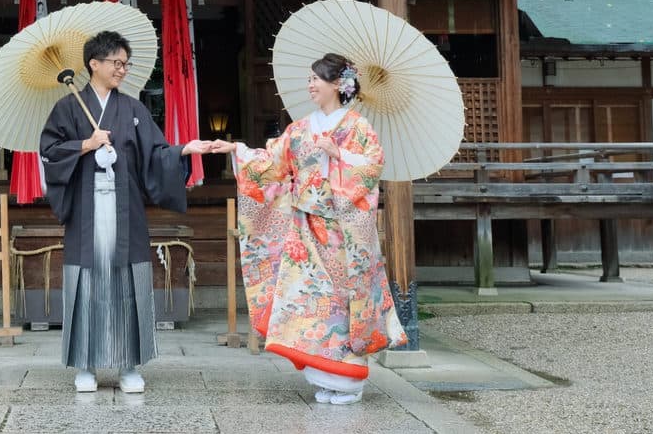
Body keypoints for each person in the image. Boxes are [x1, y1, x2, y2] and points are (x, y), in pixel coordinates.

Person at [212, 53, 407, 404]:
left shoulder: (358, 128)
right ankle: (323, 376)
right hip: (305, 229)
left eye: (317, 78)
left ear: (338, 85)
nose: (311, 84)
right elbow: (273, 164)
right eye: (310, 78)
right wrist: (237, 150)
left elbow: (372, 169)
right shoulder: (300, 128)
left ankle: (348, 379)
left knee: (343, 303)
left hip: (344, 233)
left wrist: (340, 155)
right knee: (309, 301)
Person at [40, 30, 211, 394]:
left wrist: (183, 150)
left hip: (124, 212)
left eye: (125, 63)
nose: (122, 69)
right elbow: (50, 153)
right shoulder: (68, 108)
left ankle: (127, 366)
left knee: (127, 286)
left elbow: (156, 153)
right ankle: (85, 366)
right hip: (86, 214)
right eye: (116, 63)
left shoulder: (132, 109)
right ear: (93, 64)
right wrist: (86, 144)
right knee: (86, 287)